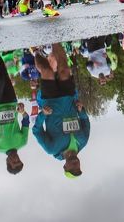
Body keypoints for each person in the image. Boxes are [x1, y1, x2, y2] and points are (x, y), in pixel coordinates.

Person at [32, 43, 90, 178]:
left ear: (65, 166)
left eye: (72, 168)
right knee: (64, 69)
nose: (75, 165)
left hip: (51, 102)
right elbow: (85, 122)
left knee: (47, 71)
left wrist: (43, 115)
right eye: (78, 167)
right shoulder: (83, 141)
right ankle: (56, 39)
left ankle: (35, 52)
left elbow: (37, 131)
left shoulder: (52, 149)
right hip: (68, 99)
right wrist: (81, 111)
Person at [0, 52, 30, 174]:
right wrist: (22, 111)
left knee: (0, 80)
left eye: (14, 162)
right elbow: (26, 121)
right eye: (19, 161)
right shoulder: (22, 142)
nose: (16, 159)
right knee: (5, 76)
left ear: (8, 162)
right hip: (12, 102)